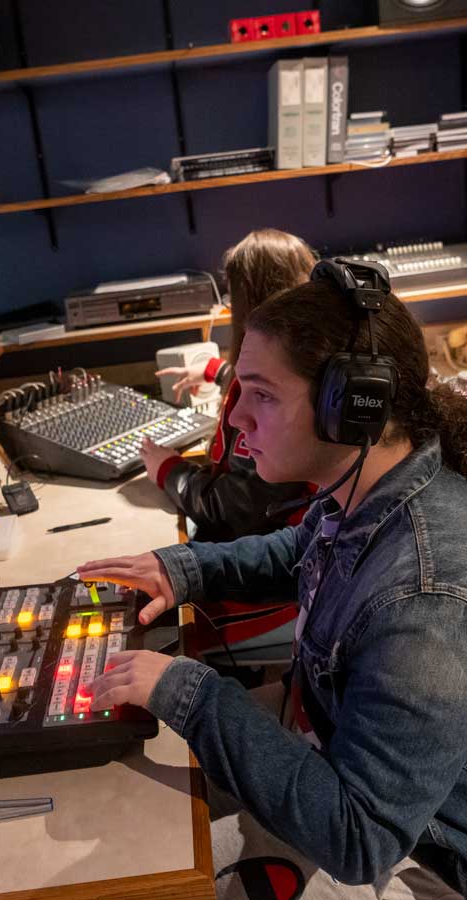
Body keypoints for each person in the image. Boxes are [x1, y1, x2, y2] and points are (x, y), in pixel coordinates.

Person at [78, 261, 467, 899]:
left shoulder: (425, 597)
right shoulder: (365, 490)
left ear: (352, 409)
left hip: (420, 852)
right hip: (327, 731)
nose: (234, 421)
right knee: (115, 778)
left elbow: (361, 839)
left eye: (261, 394)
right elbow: (301, 550)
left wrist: (194, 693)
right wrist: (184, 569)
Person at [141, 228, 316, 542]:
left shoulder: (278, 404)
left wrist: (168, 470)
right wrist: (217, 372)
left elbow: (232, 512)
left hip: (272, 555)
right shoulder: (299, 368)